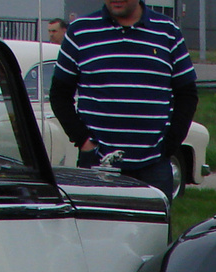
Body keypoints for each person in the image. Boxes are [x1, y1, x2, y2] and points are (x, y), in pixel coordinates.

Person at [50, 0, 197, 198]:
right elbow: (59, 94)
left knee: (152, 228)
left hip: (153, 166)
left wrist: (169, 144)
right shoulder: (80, 32)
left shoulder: (167, 32)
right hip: (97, 164)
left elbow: (187, 94)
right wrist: (83, 140)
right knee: (97, 227)